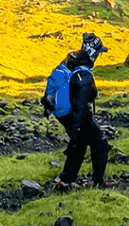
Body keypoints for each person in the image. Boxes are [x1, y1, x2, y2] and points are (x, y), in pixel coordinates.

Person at [42, 32, 110, 192]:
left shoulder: (71, 60)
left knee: (79, 144)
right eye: (98, 53)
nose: (98, 57)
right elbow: (81, 101)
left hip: (62, 112)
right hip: (75, 113)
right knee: (99, 141)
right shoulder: (83, 73)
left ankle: (66, 182)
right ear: (93, 53)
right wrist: (78, 125)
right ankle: (97, 182)